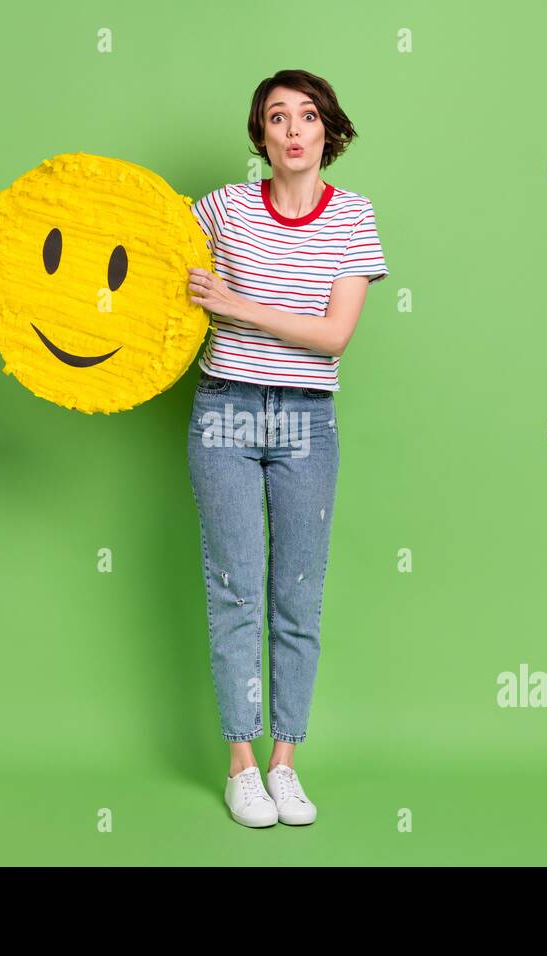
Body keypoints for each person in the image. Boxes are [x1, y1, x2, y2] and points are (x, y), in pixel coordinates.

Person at [185, 69, 388, 827]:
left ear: (328, 131)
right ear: (261, 135)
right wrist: (19, 279)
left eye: (308, 116)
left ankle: (284, 763)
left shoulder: (354, 219)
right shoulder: (224, 207)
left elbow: (335, 335)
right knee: (235, 590)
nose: (295, 129)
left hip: (306, 423)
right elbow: (132, 248)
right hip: (225, 415)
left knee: (296, 597)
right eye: (278, 117)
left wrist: (235, 305)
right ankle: (241, 767)